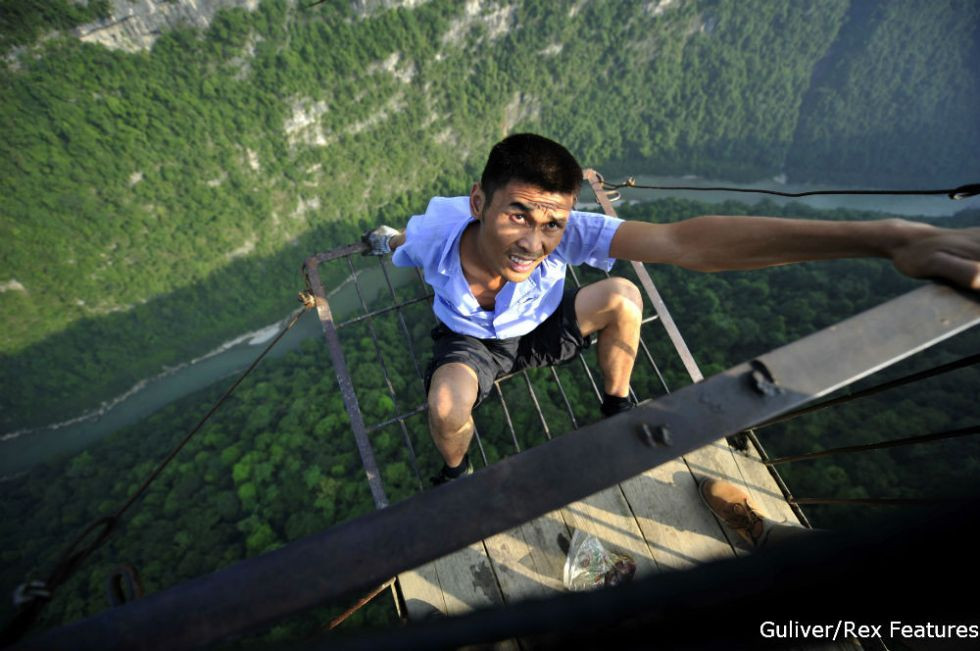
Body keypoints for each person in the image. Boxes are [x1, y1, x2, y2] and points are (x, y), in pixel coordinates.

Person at [363, 133, 980, 485]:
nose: (533, 241)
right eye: (517, 214)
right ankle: (455, 475)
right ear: (478, 203)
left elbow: (683, 242)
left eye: (551, 222)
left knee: (624, 295)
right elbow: (403, 247)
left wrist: (887, 238)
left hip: (545, 322)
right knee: (446, 407)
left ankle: (615, 403)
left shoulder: (568, 231)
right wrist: (385, 240)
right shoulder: (435, 233)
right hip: (472, 341)